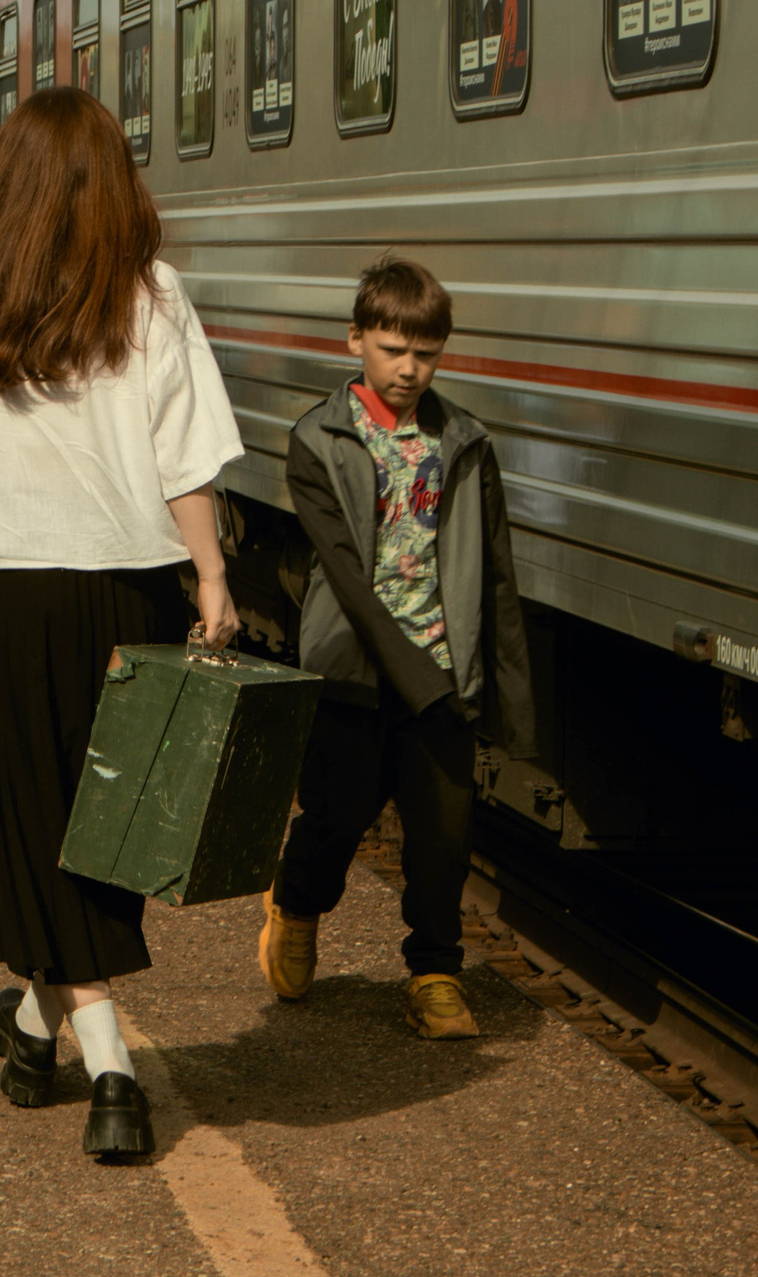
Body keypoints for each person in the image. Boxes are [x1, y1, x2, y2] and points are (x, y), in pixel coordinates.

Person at [0, 86, 243, 1158]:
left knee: (37, 819)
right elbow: (184, 454)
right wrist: (210, 576)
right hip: (125, 588)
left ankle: (32, 1019)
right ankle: (112, 1070)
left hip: (10, 594)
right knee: (106, 828)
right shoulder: (146, 297)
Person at [259, 256, 537, 1041]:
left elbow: (497, 573)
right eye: (393, 350)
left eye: (427, 354)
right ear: (356, 341)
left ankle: (435, 972)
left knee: (443, 838)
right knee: (336, 817)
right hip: (352, 668)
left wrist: (500, 690)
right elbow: (346, 577)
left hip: (442, 673)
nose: (410, 370)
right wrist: (415, 673)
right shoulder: (319, 440)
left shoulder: (465, 442)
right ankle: (298, 905)